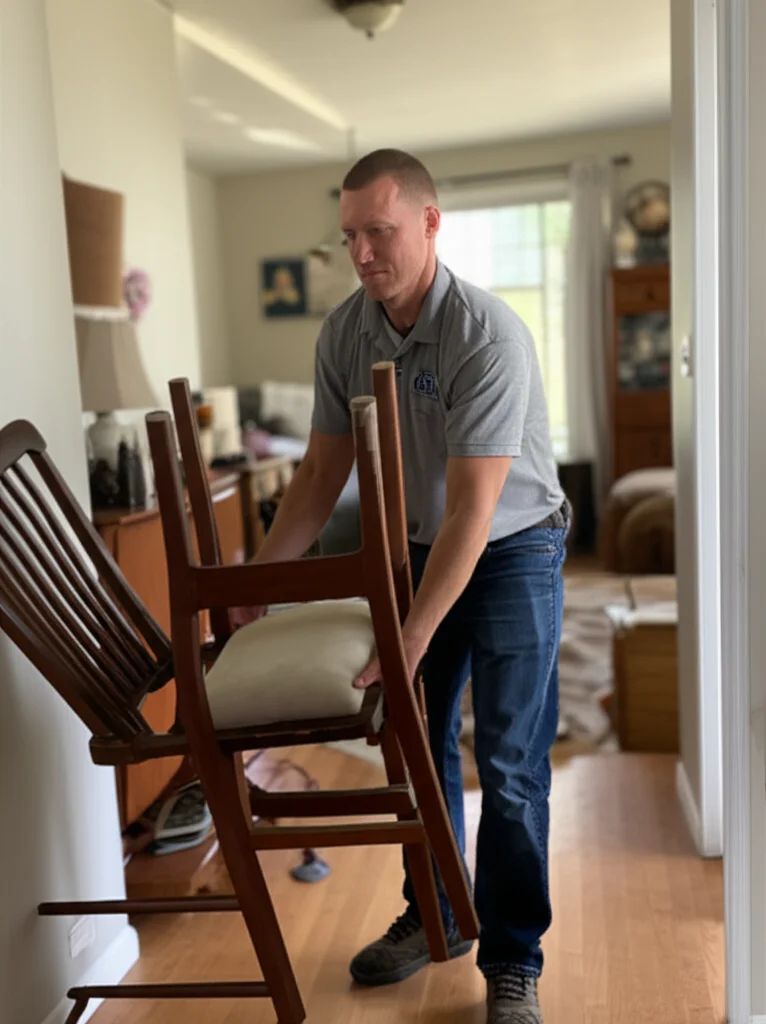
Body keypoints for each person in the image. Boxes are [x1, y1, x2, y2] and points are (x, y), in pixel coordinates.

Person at [238, 149, 568, 1024]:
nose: (361, 253)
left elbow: (474, 512)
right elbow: (316, 477)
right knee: (415, 748)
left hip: (511, 545)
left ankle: (512, 959)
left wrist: (410, 636)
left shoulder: (486, 334)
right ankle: (435, 918)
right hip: (423, 546)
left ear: (428, 224)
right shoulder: (345, 334)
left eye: (378, 232)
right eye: (348, 236)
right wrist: (257, 589)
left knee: (507, 761)